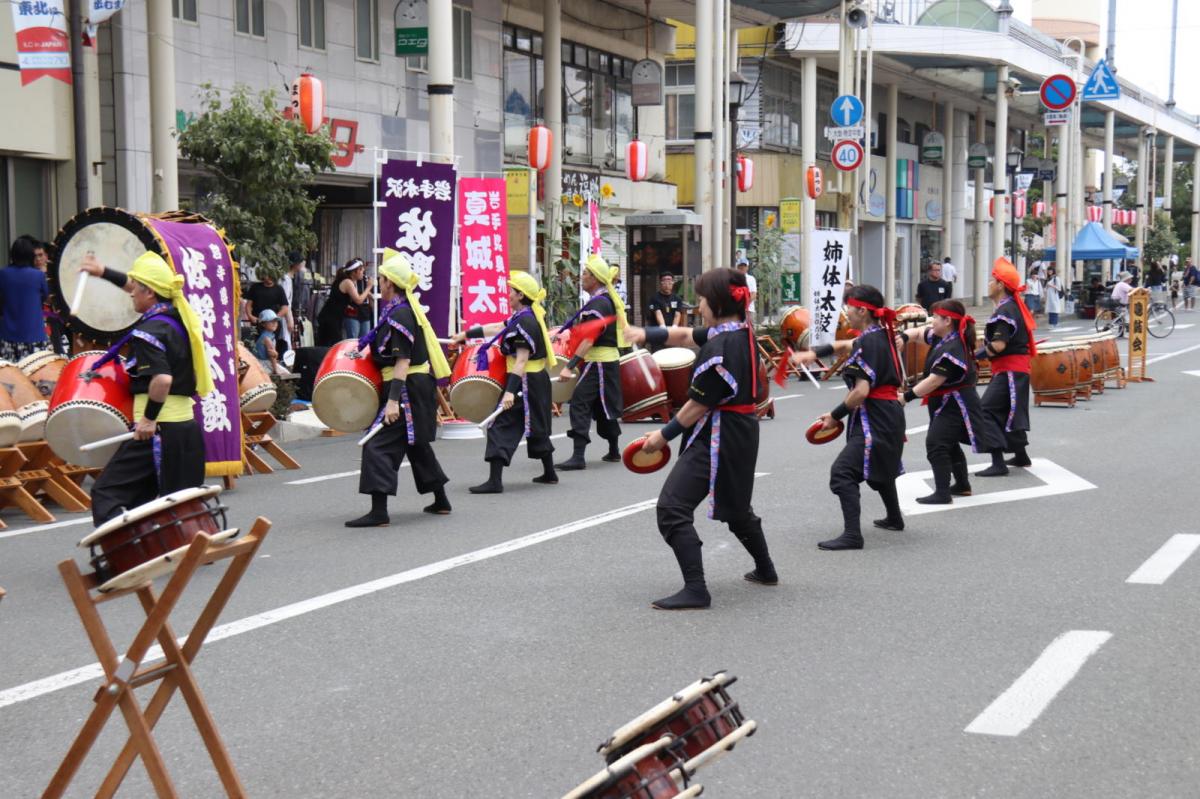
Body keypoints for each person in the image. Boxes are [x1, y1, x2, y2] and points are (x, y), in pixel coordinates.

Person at [624, 267, 776, 610]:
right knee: (737, 509)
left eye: (703, 300)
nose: (699, 306)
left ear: (719, 303)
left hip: (718, 435)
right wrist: (642, 332)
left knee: (672, 508)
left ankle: (696, 589)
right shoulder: (740, 331)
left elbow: (697, 405)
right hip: (741, 433)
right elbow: (685, 335)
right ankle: (766, 570)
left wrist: (661, 437)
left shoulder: (721, 346)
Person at [77, 251, 213, 525]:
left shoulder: (149, 331)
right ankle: (190, 546)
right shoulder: (179, 317)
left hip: (157, 429)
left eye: (136, 288)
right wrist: (102, 270)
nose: (131, 293)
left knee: (107, 493)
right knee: (177, 500)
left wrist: (149, 419)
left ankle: (128, 556)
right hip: (185, 430)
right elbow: (138, 286)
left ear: (150, 292)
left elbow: (162, 380)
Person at [792, 284, 905, 550]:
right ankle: (894, 517)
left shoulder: (868, 341)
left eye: (850, 309)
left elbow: (860, 392)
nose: (847, 314)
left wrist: (834, 415)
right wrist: (814, 353)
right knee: (881, 468)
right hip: (890, 415)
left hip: (875, 417)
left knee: (842, 473)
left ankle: (853, 535)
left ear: (862, 311)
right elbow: (845, 344)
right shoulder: (883, 335)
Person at [346, 249, 452, 527]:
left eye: (381, 279)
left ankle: (379, 511)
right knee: (414, 443)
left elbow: (403, 360)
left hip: (404, 387)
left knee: (377, 444)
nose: (378, 283)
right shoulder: (397, 312)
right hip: (412, 385)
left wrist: (392, 402)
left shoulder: (401, 315)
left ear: (390, 283)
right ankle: (441, 500)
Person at [451, 271, 558, 494]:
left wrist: (509, 392)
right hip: (532, 381)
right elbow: (498, 327)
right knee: (536, 425)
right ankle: (549, 472)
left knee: (500, 424)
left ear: (520, 295)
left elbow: (521, 361)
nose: (508, 294)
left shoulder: (525, 322)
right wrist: (466, 334)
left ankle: (495, 481)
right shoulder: (523, 316)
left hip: (524, 381)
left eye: (511, 291)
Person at [897, 300, 1005, 504]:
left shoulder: (954, 346)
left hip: (956, 402)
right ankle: (962, 485)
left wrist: (906, 397)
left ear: (947, 320)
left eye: (936, 317)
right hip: (945, 400)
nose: (932, 321)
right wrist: (904, 337)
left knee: (937, 443)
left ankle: (942, 492)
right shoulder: (943, 336)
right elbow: (920, 333)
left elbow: (934, 380)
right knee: (949, 442)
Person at [555, 254, 626, 470]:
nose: (581, 277)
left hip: (600, 362)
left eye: (585, 274)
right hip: (603, 361)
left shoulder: (601, 303)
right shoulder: (601, 300)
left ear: (595, 278)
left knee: (579, 403)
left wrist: (569, 365)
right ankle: (613, 449)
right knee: (601, 405)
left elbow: (590, 338)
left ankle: (578, 456)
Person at [976, 258, 1036, 477]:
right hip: (1013, 369)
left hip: (1010, 368)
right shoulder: (1009, 307)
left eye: (992, 280)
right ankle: (1021, 455)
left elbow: (999, 345)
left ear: (1001, 285)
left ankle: (997, 461)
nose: (989, 284)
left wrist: (972, 356)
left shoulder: (1006, 310)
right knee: (1009, 409)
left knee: (986, 409)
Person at [0, 236, 51, 361]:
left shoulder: (3, 274)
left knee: (11, 377)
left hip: (8, 334)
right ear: (30, 255)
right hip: (34, 334)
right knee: (34, 373)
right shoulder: (38, 275)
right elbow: (47, 298)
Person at [316, 259, 372, 345]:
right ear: (353, 272)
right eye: (360, 270)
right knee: (332, 345)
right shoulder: (347, 282)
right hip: (330, 317)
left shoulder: (349, 280)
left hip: (335, 316)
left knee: (332, 343)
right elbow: (359, 300)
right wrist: (368, 287)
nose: (363, 271)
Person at [243, 273, 293, 355]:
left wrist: (274, 318)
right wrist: (250, 316)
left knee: (271, 348)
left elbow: (285, 308)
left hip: (273, 325)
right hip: (257, 323)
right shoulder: (255, 287)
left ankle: (271, 364)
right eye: (267, 275)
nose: (269, 277)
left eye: (271, 275)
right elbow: (248, 305)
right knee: (255, 346)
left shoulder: (279, 289)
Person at [279, 253, 309, 349]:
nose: (303, 266)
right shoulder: (286, 280)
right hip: (284, 315)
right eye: (301, 264)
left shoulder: (288, 278)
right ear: (296, 265)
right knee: (285, 339)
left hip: (284, 314)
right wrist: (290, 319)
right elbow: (285, 301)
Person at [735, 256, 757, 321]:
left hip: (749, 310)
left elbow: (753, 295)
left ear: (747, 267)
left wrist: (745, 305)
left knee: (749, 329)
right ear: (737, 267)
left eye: (744, 266)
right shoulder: (733, 278)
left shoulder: (751, 279)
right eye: (740, 265)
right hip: (736, 311)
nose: (742, 267)